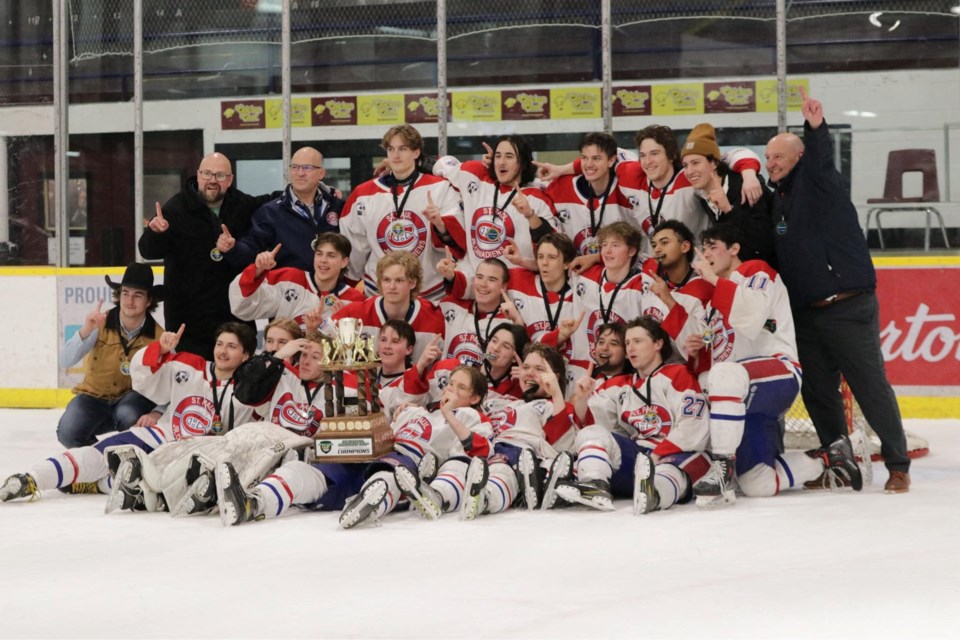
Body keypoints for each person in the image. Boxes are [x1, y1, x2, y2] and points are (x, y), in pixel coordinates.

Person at [767, 88, 911, 494]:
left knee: (869, 386)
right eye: (767, 157)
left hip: (847, 307)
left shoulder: (819, 183)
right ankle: (839, 463)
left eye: (778, 156)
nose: (770, 162)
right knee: (817, 393)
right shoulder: (778, 200)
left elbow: (820, 162)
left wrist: (815, 128)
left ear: (797, 157)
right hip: (806, 313)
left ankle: (897, 465)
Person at [684, 224, 862, 507]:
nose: (707, 256)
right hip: (742, 398)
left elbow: (754, 318)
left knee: (724, 375)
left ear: (734, 249)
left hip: (779, 371)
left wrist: (714, 280)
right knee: (757, 484)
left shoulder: (755, 272)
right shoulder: (713, 305)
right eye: (703, 250)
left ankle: (722, 467)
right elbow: (718, 357)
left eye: (713, 247)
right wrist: (697, 349)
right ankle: (831, 456)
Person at [0, 323, 258, 505]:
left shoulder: (252, 389)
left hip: (196, 452)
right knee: (101, 452)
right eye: (220, 344)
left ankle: (98, 485)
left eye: (232, 347)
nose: (223, 351)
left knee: (157, 486)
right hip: (161, 435)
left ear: (246, 355)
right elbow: (143, 379)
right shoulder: (189, 364)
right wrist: (161, 350)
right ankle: (31, 478)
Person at [215, 365, 493, 529]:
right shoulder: (415, 411)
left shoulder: (471, 418)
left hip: (408, 469)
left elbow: (479, 451)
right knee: (303, 471)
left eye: (461, 388)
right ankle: (252, 503)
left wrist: (449, 417)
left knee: (390, 475)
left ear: (475, 397)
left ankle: (371, 505)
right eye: (450, 384)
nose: (450, 390)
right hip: (371, 456)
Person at [547, 318, 711, 514]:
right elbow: (600, 429)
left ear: (658, 344)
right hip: (640, 456)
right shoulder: (618, 386)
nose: (630, 348)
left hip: (677, 455)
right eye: (627, 343)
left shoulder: (678, 374)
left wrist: (656, 456)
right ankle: (594, 485)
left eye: (638, 341)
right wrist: (581, 399)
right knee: (593, 433)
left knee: (669, 471)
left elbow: (693, 425)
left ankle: (654, 495)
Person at [536, 125, 763, 261]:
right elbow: (600, 158)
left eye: (655, 154)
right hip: (653, 272)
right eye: (643, 154)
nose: (647, 161)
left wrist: (750, 174)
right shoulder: (632, 173)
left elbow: (734, 154)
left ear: (671, 155)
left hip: (696, 269)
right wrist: (562, 169)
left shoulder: (689, 176)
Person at [139, 152, 275, 359]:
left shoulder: (242, 204)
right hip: (189, 320)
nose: (212, 180)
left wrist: (324, 193)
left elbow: (275, 201)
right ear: (198, 175)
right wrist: (155, 233)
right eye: (207, 174)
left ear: (229, 180)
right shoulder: (176, 208)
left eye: (220, 175)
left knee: (237, 382)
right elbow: (148, 251)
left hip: (234, 316)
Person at [340, 125, 462, 301]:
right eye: (391, 149)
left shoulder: (440, 187)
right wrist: (350, 284)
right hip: (379, 292)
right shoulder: (363, 194)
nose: (396, 155)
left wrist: (440, 225)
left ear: (416, 152)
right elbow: (355, 246)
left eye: (403, 149)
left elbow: (458, 239)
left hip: (430, 293)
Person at [460, 344, 576, 518]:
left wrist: (557, 393)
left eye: (539, 369)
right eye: (526, 367)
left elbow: (563, 446)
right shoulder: (505, 403)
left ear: (554, 377)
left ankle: (485, 500)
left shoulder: (556, 406)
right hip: (489, 453)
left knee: (504, 470)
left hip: (521, 457)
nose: (529, 373)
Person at [56, 263, 165, 448]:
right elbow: (65, 360)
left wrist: (157, 412)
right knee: (67, 432)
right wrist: (86, 329)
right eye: (125, 293)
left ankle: (128, 456)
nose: (130, 301)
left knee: (128, 414)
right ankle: (97, 460)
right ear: (118, 295)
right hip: (93, 399)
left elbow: (168, 386)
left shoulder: (159, 337)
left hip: (131, 402)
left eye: (137, 295)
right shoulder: (99, 323)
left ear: (148, 301)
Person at [434, 135, 558, 276]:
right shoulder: (476, 176)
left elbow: (555, 246)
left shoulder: (537, 198)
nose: (502, 162)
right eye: (498, 156)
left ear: (523, 163)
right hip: (476, 285)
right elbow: (439, 165)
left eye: (509, 156)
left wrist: (531, 215)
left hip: (519, 289)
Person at [225, 146, 343, 273]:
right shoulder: (270, 212)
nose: (300, 173)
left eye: (307, 167)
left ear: (321, 173)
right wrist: (233, 247)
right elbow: (249, 247)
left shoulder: (337, 206)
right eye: (295, 167)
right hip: (290, 289)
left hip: (330, 289)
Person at [681, 122, 776, 265]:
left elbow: (763, 242)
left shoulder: (746, 187)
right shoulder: (703, 195)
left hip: (769, 275)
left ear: (714, 163)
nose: (689, 171)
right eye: (685, 165)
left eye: (695, 163)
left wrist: (728, 210)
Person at [228, 232, 364, 332]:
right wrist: (257, 270)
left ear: (344, 262)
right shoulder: (289, 279)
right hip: (286, 366)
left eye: (331, 255)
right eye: (319, 253)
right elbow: (243, 307)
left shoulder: (354, 300)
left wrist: (342, 326)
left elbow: (357, 349)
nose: (323, 260)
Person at [331, 251, 445, 363]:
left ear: (412, 283)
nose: (392, 286)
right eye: (386, 280)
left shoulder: (436, 319)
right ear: (380, 282)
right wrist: (313, 328)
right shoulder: (352, 313)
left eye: (399, 280)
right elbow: (321, 346)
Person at [545, 132, 634, 256]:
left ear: (612, 160)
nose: (589, 164)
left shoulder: (628, 189)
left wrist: (562, 168)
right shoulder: (560, 187)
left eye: (596, 158)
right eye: (584, 158)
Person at [438, 258, 513, 367]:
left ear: (504, 286)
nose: (483, 284)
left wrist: (476, 358)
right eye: (479, 277)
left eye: (491, 279)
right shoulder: (451, 306)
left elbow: (501, 360)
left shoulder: (507, 324)